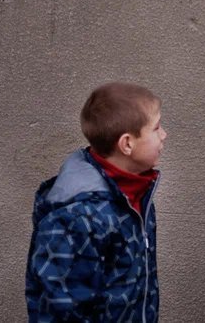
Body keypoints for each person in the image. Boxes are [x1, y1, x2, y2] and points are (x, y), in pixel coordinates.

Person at [25, 82, 167, 322]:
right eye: (156, 128)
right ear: (127, 144)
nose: (164, 135)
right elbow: (61, 308)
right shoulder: (77, 216)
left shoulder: (135, 194)